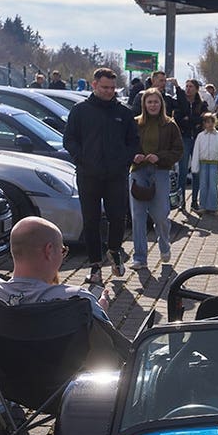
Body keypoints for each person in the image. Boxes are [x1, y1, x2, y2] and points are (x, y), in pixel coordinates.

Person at [0, 216, 131, 362]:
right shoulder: (78, 300)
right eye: (62, 250)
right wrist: (97, 311)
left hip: (2, 383)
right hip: (64, 384)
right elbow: (121, 352)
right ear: (49, 250)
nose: (63, 256)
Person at [63, 67, 139, 285]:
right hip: (88, 175)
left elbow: (133, 141)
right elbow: (69, 139)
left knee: (118, 218)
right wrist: (82, 158)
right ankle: (95, 266)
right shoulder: (80, 111)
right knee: (91, 221)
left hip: (116, 175)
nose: (109, 92)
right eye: (105, 87)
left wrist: (124, 160)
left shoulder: (123, 113)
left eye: (113, 88)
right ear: (94, 85)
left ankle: (114, 250)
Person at [129, 88, 182, 270]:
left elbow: (178, 150)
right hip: (138, 172)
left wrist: (159, 157)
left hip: (160, 171)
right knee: (138, 216)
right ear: (144, 104)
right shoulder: (135, 123)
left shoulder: (170, 125)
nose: (153, 105)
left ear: (161, 104)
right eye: (149, 102)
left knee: (160, 215)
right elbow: (125, 145)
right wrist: (133, 156)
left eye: (156, 102)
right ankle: (140, 258)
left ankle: (164, 245)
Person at [174, 79, 207, 211]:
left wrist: (191, 119)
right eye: (186, 86)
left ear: (196, 89)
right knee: (182, 170)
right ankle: (181, 201)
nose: (188, 89)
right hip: (184, 138)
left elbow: (204, 119)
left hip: (198, 139)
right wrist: (193, 120)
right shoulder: (180, 103)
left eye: (191, 86)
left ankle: (194, 201)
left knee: (196, 170)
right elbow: (178, 120)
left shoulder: (201, 104)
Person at [191, 112, 218, 216]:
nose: (210, 124)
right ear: (204, 124)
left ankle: (214, 208)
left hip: (214, 163)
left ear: (214, 123)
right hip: (203, 163)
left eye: (211, 122)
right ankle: (203, 206)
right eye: (207, 122)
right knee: (203, 185)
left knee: (213, 185)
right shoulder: (200, 136)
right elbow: (196, 151)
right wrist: (195, 166)